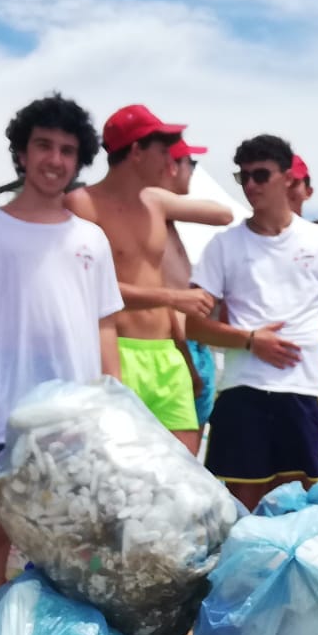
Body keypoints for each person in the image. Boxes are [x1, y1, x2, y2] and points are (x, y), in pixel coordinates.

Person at [0, 95, 123, 635]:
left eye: (67, 150)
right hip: (4, 415)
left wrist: (114, 406)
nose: (54, 159)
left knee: (72, 544)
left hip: (76, 420)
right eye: (43, 145)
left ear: (79, 160)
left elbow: (105, 326)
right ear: (21, 154)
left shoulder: (91, 238)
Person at [188, 135, 318, 509]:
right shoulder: (223, 245)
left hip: (304, 392)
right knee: (242, 511)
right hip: (242, 391)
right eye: (242, 177)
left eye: (260, 175)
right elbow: (192, 326)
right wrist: (250, 340)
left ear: (288, 178)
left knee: (302, 509)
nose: (249, 185)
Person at [79, 105, 234, 453]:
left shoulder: (157, 202)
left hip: (167, 355)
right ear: (136, 152)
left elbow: (223, 215)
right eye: (164, 152)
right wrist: (172, 297)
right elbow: (89, 291)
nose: (171, 162)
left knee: (185, 480)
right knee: (123, 480)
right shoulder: (82, 204)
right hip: (117, 351)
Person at [159, 136, 221, 429]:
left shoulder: (165, 217)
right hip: (178, 347)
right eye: (190, 163)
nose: (194, 170)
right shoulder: (155, 215)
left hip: (190, 345)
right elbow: (223, 214)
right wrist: (187, 361)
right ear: (172, 166)